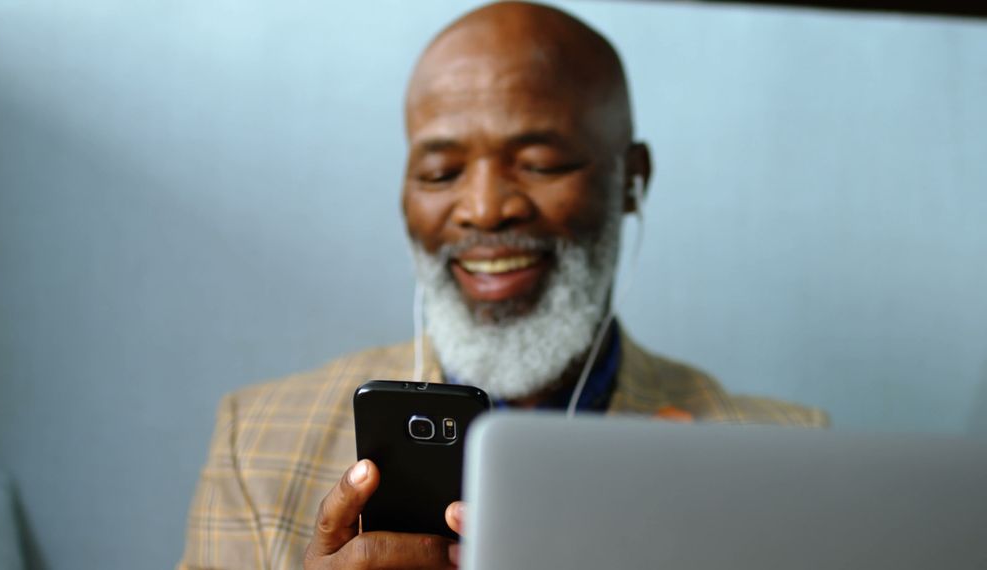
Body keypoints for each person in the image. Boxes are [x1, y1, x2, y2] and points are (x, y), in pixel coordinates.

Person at [178, 2, 828, 569]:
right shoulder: (255, 441)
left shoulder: (790, 460)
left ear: (632, 179)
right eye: (440, 174)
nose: (485, 208)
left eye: (541, 163)